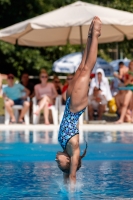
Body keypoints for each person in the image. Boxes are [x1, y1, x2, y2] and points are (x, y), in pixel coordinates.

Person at [55, 16, 101, 190]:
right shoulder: (73, 149)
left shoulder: (64, 146)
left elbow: (67, 176)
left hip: (69, 103)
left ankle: (90, 35)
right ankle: (96, 33)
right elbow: (72, 175)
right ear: (68, 161)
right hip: (75, 108)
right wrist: (72, 194)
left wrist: (65, 180)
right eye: (59, 164)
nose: (56, 161)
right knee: (87, 69)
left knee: (81, 66)